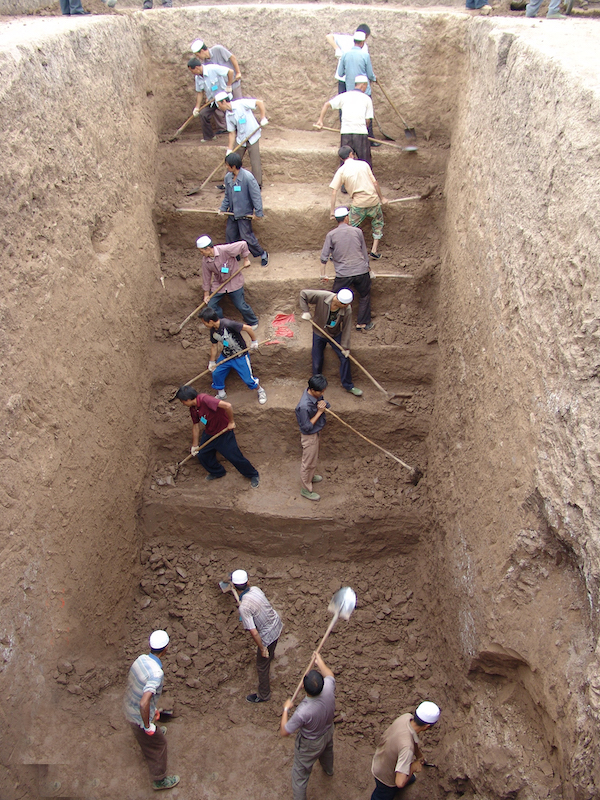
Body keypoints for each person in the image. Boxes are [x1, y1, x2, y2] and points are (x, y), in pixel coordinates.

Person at [123, 630, 180, 792]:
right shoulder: (156, 673)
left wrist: (152, 710)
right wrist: (147, 725)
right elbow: (144, 702)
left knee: (152, 730)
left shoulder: (141, 659)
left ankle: (148, 733)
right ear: (166, 649)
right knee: (160, 744)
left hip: (129, 705)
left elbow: (138, 686)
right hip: (137, 716)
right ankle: (159, 779)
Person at [175, 386, 260, 487]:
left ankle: (253, 474)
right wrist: (195, 445)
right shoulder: (193, 409)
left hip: (223, 433)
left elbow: (227, 406)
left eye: (182, 402)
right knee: (203, 454)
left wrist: (231, 422)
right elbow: (196, 426)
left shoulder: (205, 400)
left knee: (234, 457)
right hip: (209, 433)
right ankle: (217, 472)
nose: (183, 404)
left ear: (188, 399)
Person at [280, 652, 336, 800]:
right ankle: (329, 770)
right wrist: (319, 661)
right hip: (328, 731)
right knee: (327, 750)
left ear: (303, 686)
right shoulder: (329, 687)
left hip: (310, 744)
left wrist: (286, 709)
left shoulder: (303, 712)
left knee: (300, 775)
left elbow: (285, 731)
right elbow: (329, 674)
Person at [370, 701, 441, 800]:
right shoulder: (407, 748)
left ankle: (406, 776)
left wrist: (419, 755)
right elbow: (399, 783)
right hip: (384, 776)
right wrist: (412, 767)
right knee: (382, 795)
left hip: (381, 757)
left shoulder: (406, 718)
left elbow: (412, 738)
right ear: (427, 726)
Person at [231, 569, 283, 703]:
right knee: (271, 648)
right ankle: (270, 656)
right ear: (248, 582)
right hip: (276, 624)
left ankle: (264, 695)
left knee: (261, 665)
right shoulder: (256, 589)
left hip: (267, 635)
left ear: (234, 586)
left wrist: (262, 648)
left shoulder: (244, 608)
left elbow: (254, 632)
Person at [300, 288, 363, 396]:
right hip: (318, 333)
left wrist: (345, 347)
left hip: (334, 334)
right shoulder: (323, 296)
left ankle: (348, 385)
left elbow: (347, 328)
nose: (348, 306)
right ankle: (315, 386)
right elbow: (303, 294)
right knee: (317, 360)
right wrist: (305, 311)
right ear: (339, 301)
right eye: (345, 304)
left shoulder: (347, 309)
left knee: (345, 358)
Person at [199, 307, 267, 405]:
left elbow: (247, 328)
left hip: (240, 356)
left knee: (248, 380)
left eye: (204, 322)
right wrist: (212, 362)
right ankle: (221, 394)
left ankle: (260, 390)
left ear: (210, 321)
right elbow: (214, 346)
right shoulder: (213, 331)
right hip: (226, 355)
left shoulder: (228, 324)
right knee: (216, 373)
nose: (204, 325)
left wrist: (254, 341)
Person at [330, 146, 387, 259]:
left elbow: (334, 192)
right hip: (373, 201)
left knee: (347, 227)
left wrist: (332, 211)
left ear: (341, 159)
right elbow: (375, 183)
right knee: (378, 223)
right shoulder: (364, 164)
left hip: (358, 204)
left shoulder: (341, 171)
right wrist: (382, 198)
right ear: (352, 154)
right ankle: (374, 250)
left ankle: (338, 252)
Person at [321, 206, 372, 331]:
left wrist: (323, 274)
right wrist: (368, 267)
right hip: (361, 271)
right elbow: (364, 253)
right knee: (364, 295)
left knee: (335, 298)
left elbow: (324, 256)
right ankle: (363, 323)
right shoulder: (357, 231)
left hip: (343, 273)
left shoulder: (331, 235)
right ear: (346, 218)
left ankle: (331, 324)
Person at [196, 235, 258, 327]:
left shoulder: (224, 250)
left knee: (240, 305)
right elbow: (206, 277)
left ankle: (253, 321)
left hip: (234, 281)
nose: (201, 253)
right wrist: (206, 294)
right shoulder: (205, 261)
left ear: (208, 249)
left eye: (202, 251)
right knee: (211, 305)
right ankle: (222, 323)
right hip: (219, 283)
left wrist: (246, 259)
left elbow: (243, 244)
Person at [219, 152, 269, 267]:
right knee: (230, 235)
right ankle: (234, 255)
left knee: (246, 236)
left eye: (228, 165)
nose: (226, 167)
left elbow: (256, 196)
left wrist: (258, 212)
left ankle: (262, 254)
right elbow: (227, 195)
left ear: (234, 166)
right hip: (232, 212)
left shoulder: (247, 177)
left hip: (244, 213)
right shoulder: (228, 178)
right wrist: (222, 208)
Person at [315, 76, 374, 167]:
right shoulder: (367, 99)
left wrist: (320, 121)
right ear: (363, 85)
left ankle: (344, 180)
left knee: (345, 162)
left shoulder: (344, 96)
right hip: (360, 133)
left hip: (346, 133)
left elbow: (326, 104)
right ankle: (366, 180)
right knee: (365, 163)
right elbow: (367, 120)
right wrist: (364, 130)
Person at [215, 91, 268, 188]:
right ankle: (228, 182)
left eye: (218, 104)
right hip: (241, 139)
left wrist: (263, 118)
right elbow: (232, 133)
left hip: (253, 136)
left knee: (255, 161)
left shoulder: (241, 103)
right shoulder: (228, 115)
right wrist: (230, 149)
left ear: (223, 102)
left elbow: (259, 102)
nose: (218, 107)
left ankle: (257, 185)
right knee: (232, 159)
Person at [295, 374, 330, 502]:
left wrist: (324, 403)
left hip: (315, 433)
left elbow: (325, 403)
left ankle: (310, 476)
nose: (323, 393)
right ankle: (305, 489)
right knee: (307, 463)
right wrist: (320, 412)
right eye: (321, 391)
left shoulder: (315, 394)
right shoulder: (303, 406)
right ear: (313, 390)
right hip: (309, 436)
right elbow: (307, 427)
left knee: (313, 459)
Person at [187, 58, 234, 142]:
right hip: (212, 100)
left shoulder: (212, 68)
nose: (192, 73)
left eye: (192, 71)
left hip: (223, 97)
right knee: (203, 114)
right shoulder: (198, 78)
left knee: (232, 113)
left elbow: (230, 71)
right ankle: (209, 136)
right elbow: (200, 92)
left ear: (197, 68)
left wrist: (229, 85)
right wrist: (197, 107)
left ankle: (240, 132)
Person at [325, 24, 371, 95]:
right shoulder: (346, 39)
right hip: (345, 79)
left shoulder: (365, 47)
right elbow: (329, 37)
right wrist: (337, 48)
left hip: (356, 81)